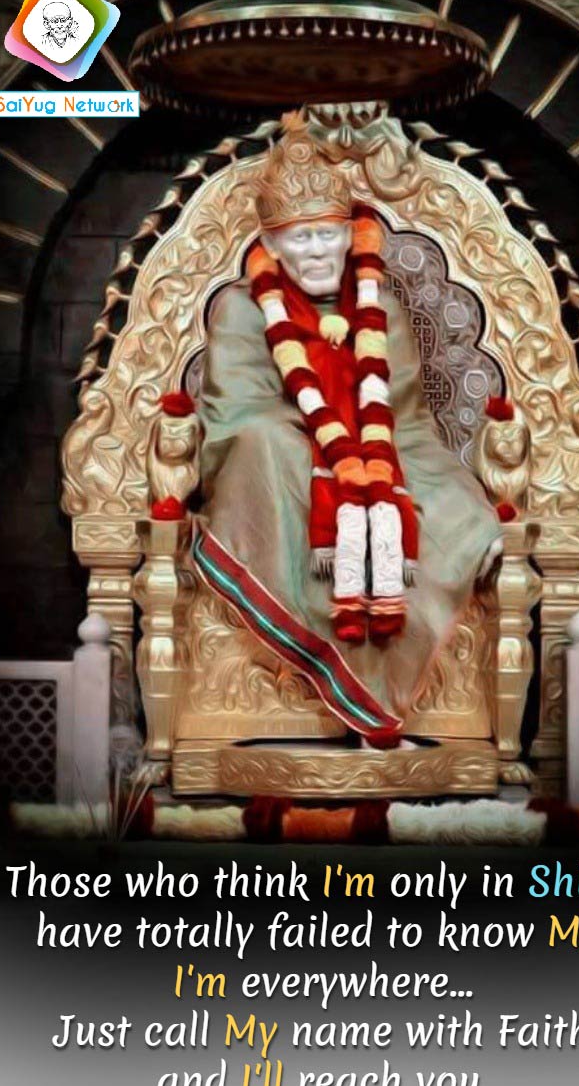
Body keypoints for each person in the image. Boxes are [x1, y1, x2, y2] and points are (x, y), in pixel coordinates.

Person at [193, 122, 502, 748]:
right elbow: (237, 416)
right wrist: (323, 452)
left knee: (456, 508)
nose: (316, 252)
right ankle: (348, 677)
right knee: (269, 445)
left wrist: (470, 510)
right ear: (272, 244)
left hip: (381, 453)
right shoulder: (244, 308)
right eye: (300, 236)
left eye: (327, 234)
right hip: (284, 462)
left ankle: (404, 688)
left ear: (350, 234)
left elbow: (407, 422)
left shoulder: (378, 308)